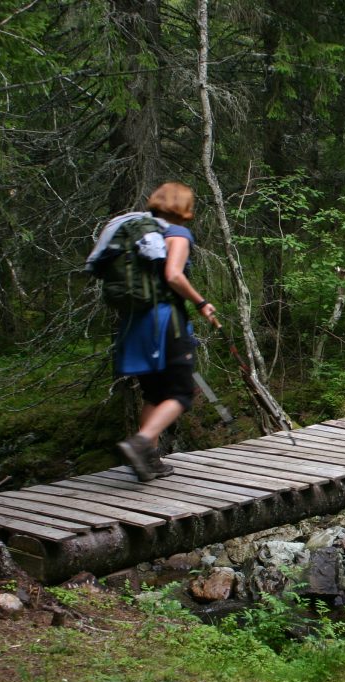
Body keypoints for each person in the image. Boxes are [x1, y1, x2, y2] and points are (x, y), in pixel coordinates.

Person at [115, 182, 216, 481]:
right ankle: (142, 442)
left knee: (154, 393)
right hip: (165, 323)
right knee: (181, 391)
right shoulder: (177, 233)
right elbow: (172, 274)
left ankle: (150, 462)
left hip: (136, 322)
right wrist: (201, 302)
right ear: (183, 207)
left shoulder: (142, 233)